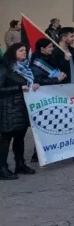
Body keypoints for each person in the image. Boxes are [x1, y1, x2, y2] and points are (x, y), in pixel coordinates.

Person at [0, 43, 38, 178]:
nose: (24, 52)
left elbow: (27, 83)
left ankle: (20, 164)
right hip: (8, 109)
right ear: (13, 52)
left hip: (22, 108)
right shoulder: (4, 68)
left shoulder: (25, 68)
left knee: (19, 138)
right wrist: (18, 88)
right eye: (21, 50)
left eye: (25, 50)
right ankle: (2, 168)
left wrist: (33, 85)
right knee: (5, 139)